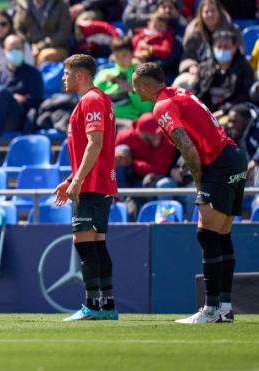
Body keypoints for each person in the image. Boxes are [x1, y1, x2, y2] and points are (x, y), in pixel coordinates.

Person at [133, 62, 247, 324]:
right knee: (220, 236)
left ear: (146, 84)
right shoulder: (182, 93)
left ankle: (211, 309)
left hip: (218, 163)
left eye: (136, 84)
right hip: (234, 158)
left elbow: (188, 150)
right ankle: (224, 308)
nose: (135, 90)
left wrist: (198, 183)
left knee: (206, 235)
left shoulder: (161, 106)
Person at [53, 54, 118, 321]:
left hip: (92, 185)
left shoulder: (90, 100)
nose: (63, 78)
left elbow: (95, 144)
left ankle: (92, 305)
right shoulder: (99, 99)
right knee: (97, 244)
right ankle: (107, 305)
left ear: (80, 75)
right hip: (98, 181)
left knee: (84, 243)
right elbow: (90, 152)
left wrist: (77, 181)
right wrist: (72, 178)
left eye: (66, 73)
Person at [0, 33, 43, 137]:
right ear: (5, 51)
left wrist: (22, 99)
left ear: (23, 50)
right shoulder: (0, 74)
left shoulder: (33, 73)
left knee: (2, 91)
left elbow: (37, 99)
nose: (15, 52)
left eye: (18, 48)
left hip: (17, 118)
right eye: (11, 49)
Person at [173, 0, 241, 90]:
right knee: (180, 82)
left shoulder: (232, 30)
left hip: (227, 71)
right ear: (201, 14)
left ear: (219, 12)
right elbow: (188, 53)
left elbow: (239, 53)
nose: (210, 14)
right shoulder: (194, 32)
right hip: (199, 72)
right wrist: (190, 66)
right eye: (206, 12)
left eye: (213, 11)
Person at [192, 30, 253, 112]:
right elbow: (195, 92)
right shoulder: (204, 68)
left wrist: (223, 111)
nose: (222, 50)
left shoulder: (244, 69)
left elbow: (244, 96)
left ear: (234, 48)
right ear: (213, 48)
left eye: (226, 47)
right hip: (204, 112)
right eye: (219, 47)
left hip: (230, 113)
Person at [94, 37, 154, 121]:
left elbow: (146, 110)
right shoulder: (104, 73)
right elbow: (91, 98)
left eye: (124, 55)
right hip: (104, 119)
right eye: (117, 56)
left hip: (128, 119)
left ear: (132, 54)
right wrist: (102, 83)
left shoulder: (142, 76)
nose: (121, 60)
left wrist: (132, 91)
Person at [115, 112, 175, 188]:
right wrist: (121, 159)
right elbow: (111, 163)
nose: (158, 135)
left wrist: (133, 163)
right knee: (120, 150)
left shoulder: (166, 140)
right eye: (153, 133)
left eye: (159, 132)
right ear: (142, 133)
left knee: (163, 184)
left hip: (153, 180)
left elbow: (160, 170)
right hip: (128, 177)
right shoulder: (124, 137)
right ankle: (119, 195)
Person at [14, 0, 72, 66]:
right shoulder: (23, 4)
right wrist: (28, 45)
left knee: (44, 56)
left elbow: (64, 32)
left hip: (55, 46)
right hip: (29, 46)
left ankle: (36, 76)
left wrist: (40, 46)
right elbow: (17, 29)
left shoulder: (60, 4)